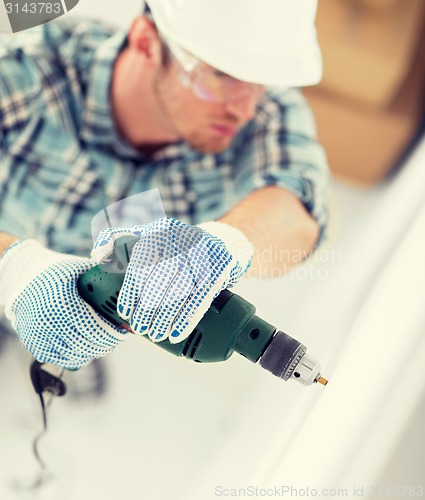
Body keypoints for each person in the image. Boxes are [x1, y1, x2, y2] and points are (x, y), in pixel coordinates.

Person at [0, 0, 330, 371]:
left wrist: (230, 241)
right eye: (220, 76)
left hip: (93, 314)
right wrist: (14, 266)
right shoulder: (22, 74)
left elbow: (297, 210)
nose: (244, 110)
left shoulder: (271, 113)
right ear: (146, 41)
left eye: (260, 86)